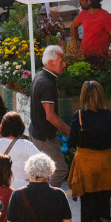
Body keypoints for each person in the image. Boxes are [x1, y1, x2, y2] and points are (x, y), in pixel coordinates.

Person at [68, 80, 111, 222]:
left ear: (83, 96)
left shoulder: (78, 116)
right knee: (104, 207)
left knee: (87, 208)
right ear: (101, 96)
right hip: (105, 164)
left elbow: (70, 143)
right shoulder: (110, 116)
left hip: (85, 167)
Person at [30, 45, 71, 188]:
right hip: (44, 136)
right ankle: (48, 198)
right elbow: (50, 116)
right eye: (61, 62)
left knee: (41, 171)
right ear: (51, 63)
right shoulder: (47, 83)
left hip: (36, 132)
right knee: (60, 169)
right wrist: (67, 130)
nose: (64, 65)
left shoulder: (40, 76)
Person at [0, 112, 39, 191]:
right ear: (21, 127)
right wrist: (31, 178)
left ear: (2, 127)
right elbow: (42, 164)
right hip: (22, 190)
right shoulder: (27, 145)